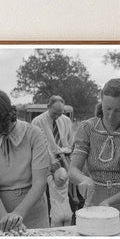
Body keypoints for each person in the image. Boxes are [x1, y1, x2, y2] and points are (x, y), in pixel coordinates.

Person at [69, 78, 120, 222]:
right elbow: (73, 170)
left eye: (118, 110)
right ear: (101, 101)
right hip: (95, 197)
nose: (111, 116)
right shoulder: (87, 128)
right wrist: (84, 179)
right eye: (107, 109)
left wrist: (108, 202)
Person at [0, 88, 50, 232]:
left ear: (2, 118)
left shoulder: (34, 135)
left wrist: (18, 214)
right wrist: (6, 220)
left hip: (33, 215)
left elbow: (39, 183)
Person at [31, 95, 73, 227]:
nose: (57, 117)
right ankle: (49, 222)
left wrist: (65, 155)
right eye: (55, 113)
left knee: (68, 191)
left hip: (64, 158)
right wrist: (51, 161)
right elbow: (39, 145)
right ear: (48, 107)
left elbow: (70, 141)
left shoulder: (65, 120)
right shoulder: (37, 122)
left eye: (60, 114)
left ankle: (69, 219)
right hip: (46, 161)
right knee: (50, 193)